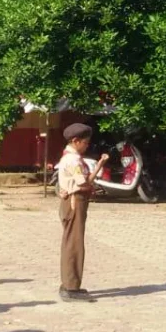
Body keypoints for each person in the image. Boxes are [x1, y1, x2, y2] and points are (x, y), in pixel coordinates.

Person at [55, 123, 109, 303]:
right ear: (75, 141)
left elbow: (85, 181)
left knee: (72, 242)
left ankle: (70, 284)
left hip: (73, 200)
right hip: (75, 202)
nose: (87, 145)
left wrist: (100, 164)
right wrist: (92, 185)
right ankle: (71, 287)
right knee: (74, 244)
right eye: (85, 142)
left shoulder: (71, 158)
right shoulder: (73, 160)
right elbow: (84, 183)